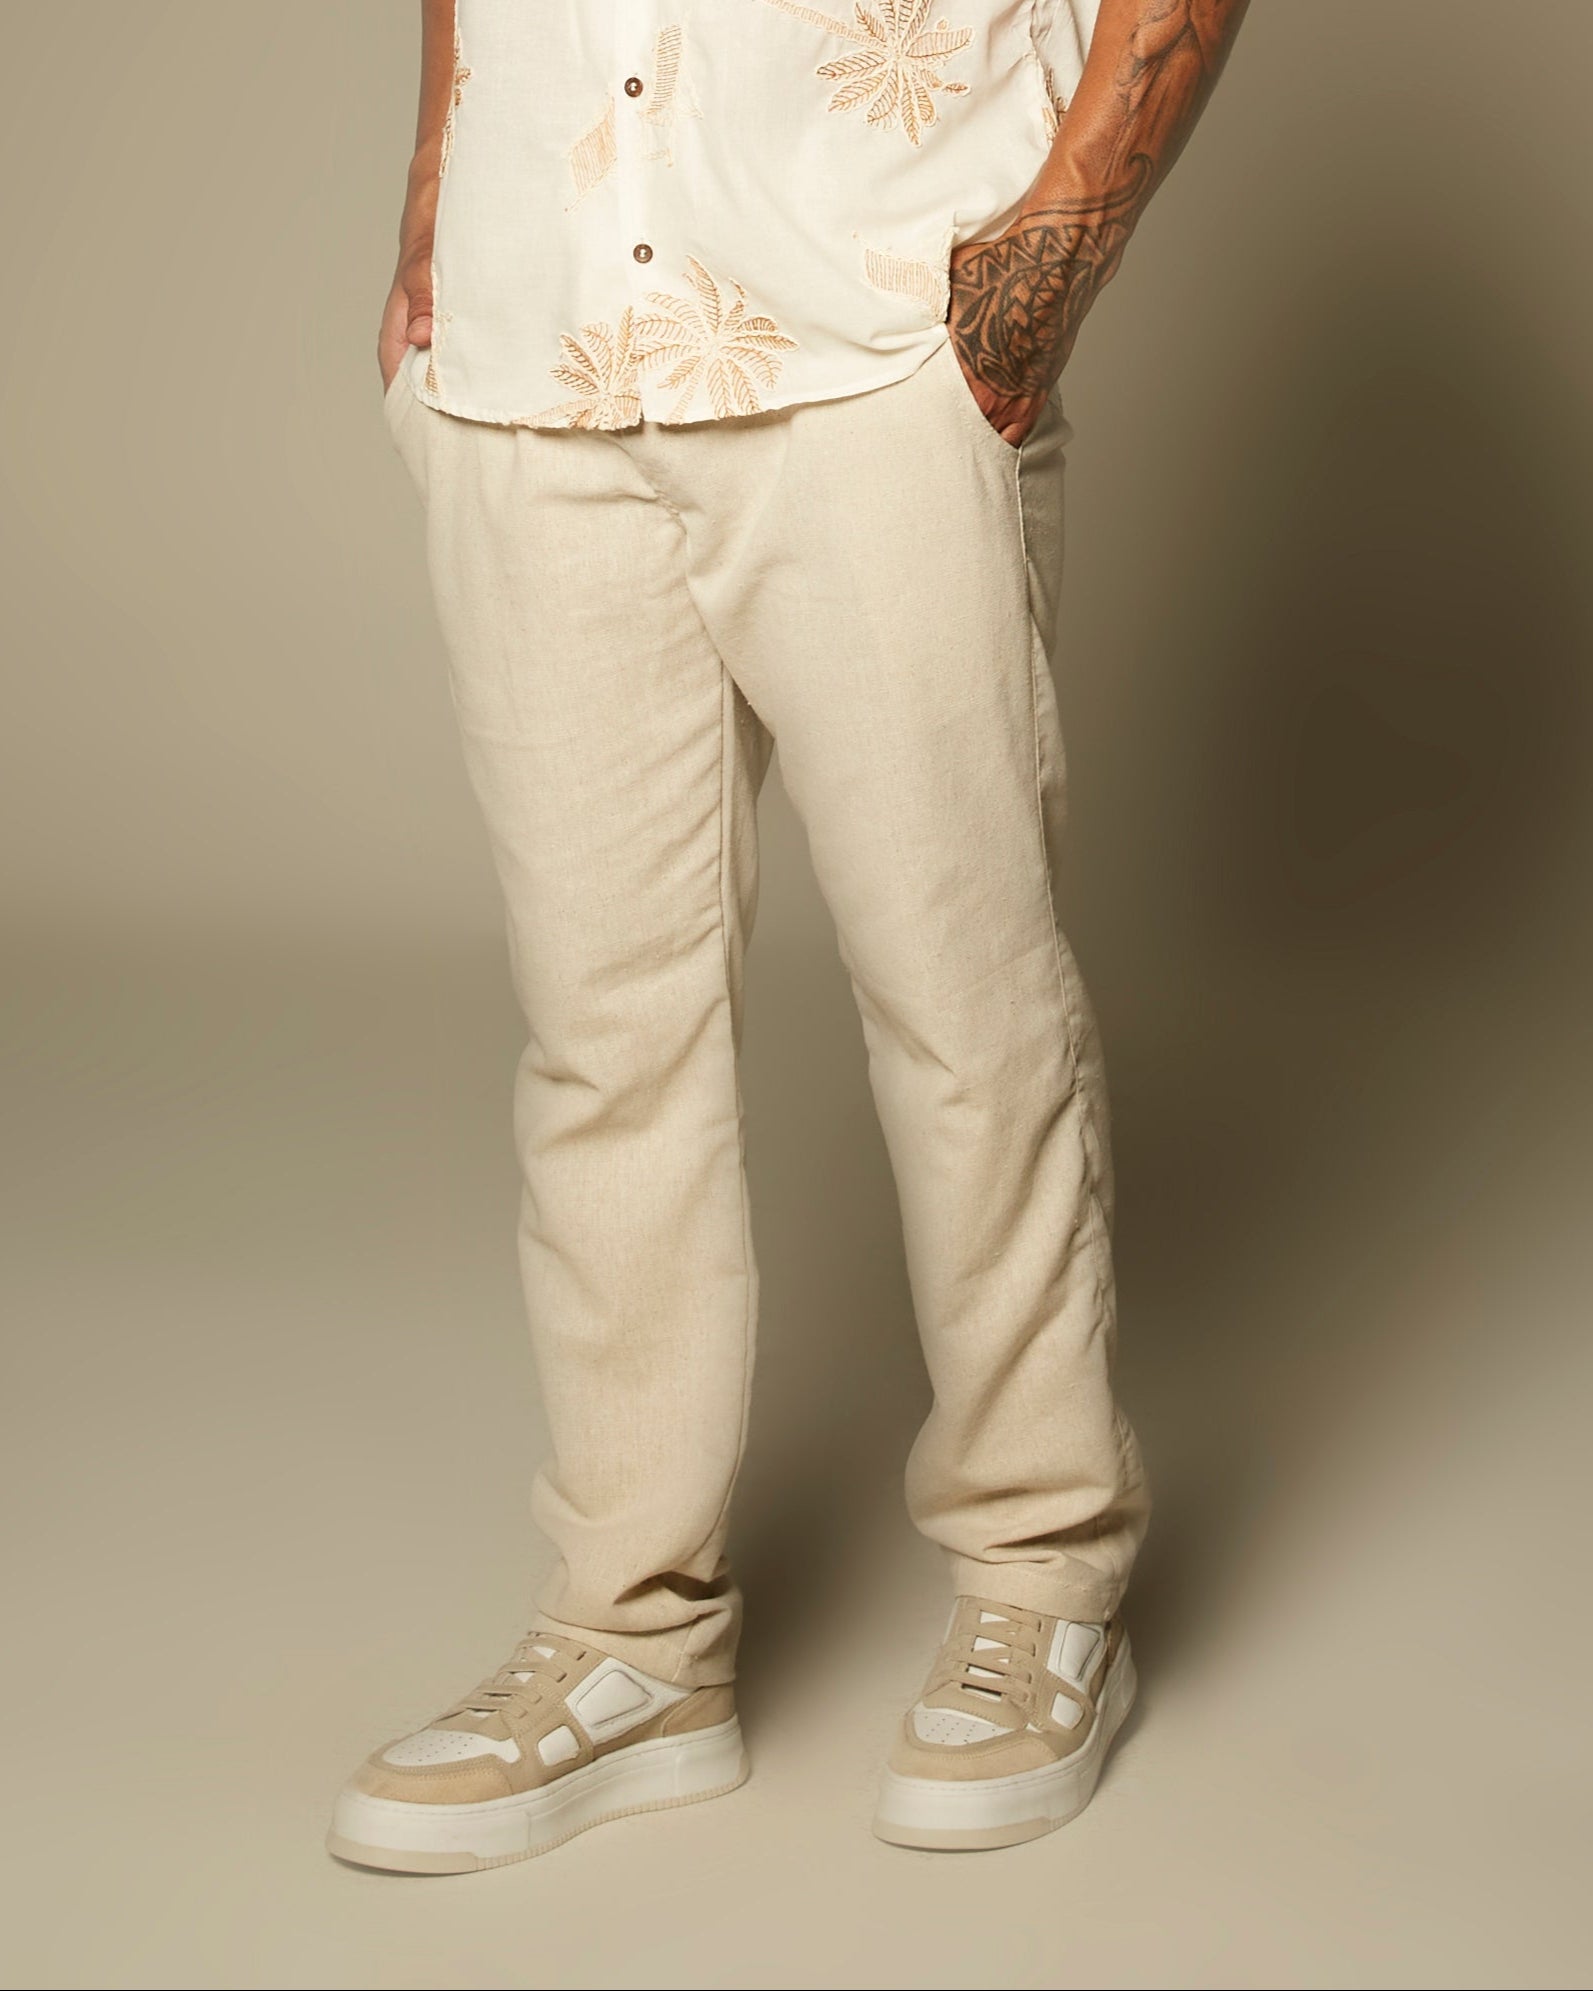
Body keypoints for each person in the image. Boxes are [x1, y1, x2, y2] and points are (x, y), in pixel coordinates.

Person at [328, 0, 1248, 1872]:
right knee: (604, 1043)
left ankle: (1041, 1572)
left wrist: (1048, 255)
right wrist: (437, 184)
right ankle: (631, 1637)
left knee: (964, 1007)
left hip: (869, 332)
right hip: (531, 352)